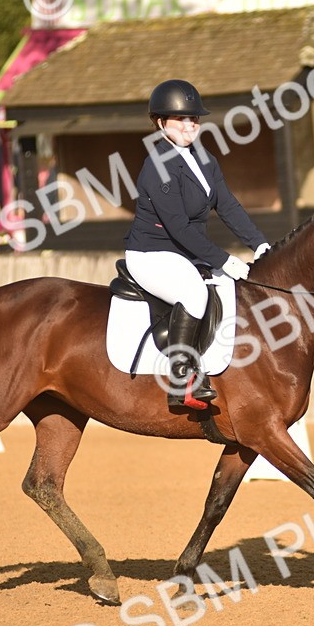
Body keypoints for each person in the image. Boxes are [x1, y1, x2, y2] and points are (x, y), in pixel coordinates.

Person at [125, 79, 270, 409]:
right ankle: (181, 378)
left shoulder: (204, 160)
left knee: (229, 290)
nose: (190, 124)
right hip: (152, 254)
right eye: (180, 119)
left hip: (185, 253)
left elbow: (228, 205)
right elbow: (178, 228)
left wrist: (259, 244)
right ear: (160, 122)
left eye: (194, 118)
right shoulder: (157, 167)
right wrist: (225, 260)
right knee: (194, 293)